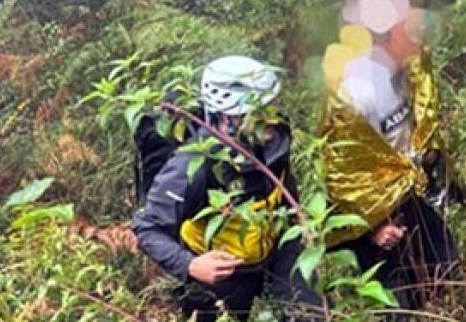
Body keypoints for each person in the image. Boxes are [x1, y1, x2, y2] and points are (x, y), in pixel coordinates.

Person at [133, 55, 325, 321]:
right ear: (228, 117)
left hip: (276, 249)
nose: (270, 119)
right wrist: (191, 265)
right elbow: (147, 228)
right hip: (219, 272)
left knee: (309, 316)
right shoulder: (193, 164)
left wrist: (298, 225)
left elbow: (283, 188)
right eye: (258, 114)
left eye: (270, 106)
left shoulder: (275, 139)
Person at [321, 0, 459, 312]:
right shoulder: (356, 93)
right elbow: (344, 174)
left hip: (406, 190)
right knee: (396, 299)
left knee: (444, 259)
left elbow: (422, 122)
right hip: (373, 210)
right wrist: (374, 227)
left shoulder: (407, 66)